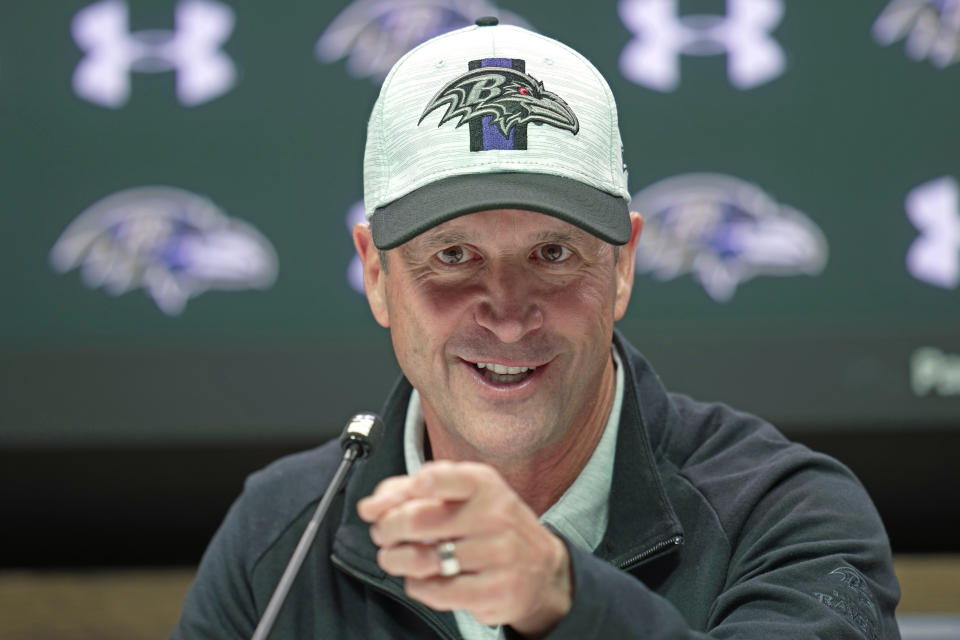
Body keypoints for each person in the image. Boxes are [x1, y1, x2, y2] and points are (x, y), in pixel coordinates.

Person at [173, 18, 901, 639]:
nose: (508, 311)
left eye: (553, 254)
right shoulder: (280, 538)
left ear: (621, 267)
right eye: (453, 256)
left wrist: (563, 597)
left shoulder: (789, 515)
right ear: (375, 274)